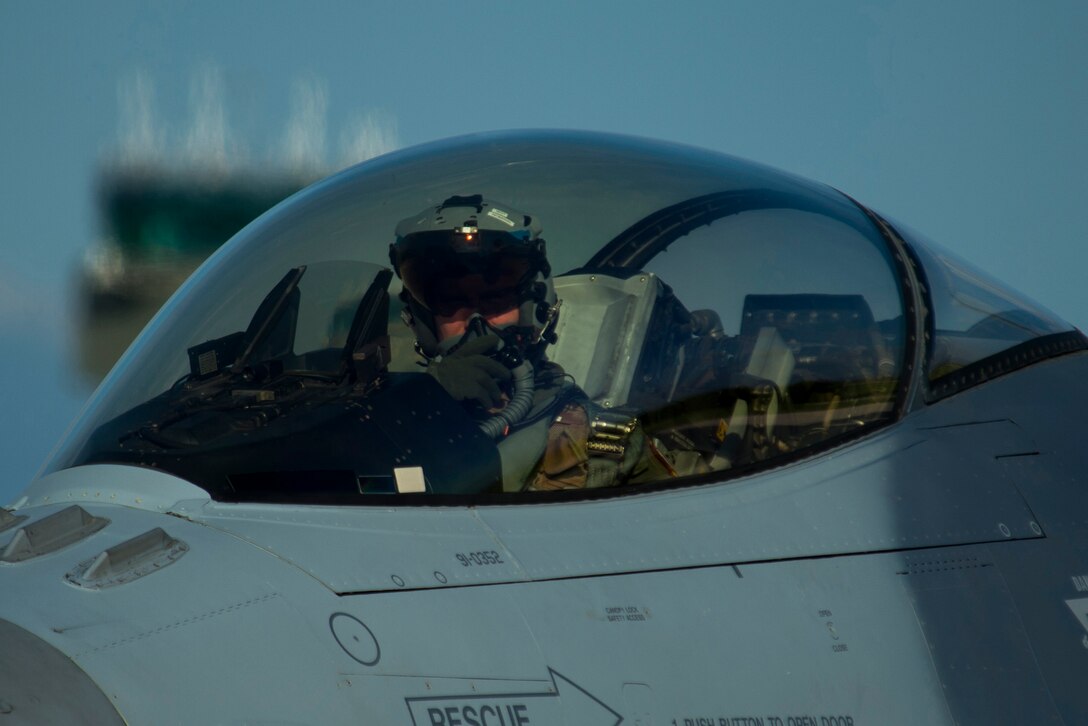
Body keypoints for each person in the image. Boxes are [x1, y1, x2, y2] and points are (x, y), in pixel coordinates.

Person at [389, 195, 667, 492]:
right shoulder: (390, 426)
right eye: (452, 302)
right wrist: (423, 404)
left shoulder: (605, 443)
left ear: (534, 306)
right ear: (424, 322)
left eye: (495, 299)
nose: (476, 321)